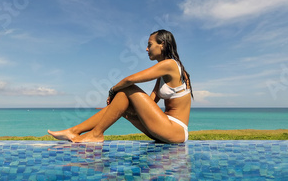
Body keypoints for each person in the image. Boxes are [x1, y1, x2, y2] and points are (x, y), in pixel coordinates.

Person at [48, 29, 193, 143]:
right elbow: (151, 102)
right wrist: (121, 104)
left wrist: (112, 91)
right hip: (164, 127)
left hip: (175, 130)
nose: (147, 49)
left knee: (127, 89)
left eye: (149, 45)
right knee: (121, 106)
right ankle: (74, 130)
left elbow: (130, 80)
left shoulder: (170, 64)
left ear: (162, 44)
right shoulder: (164, 72)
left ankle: (96, 134)